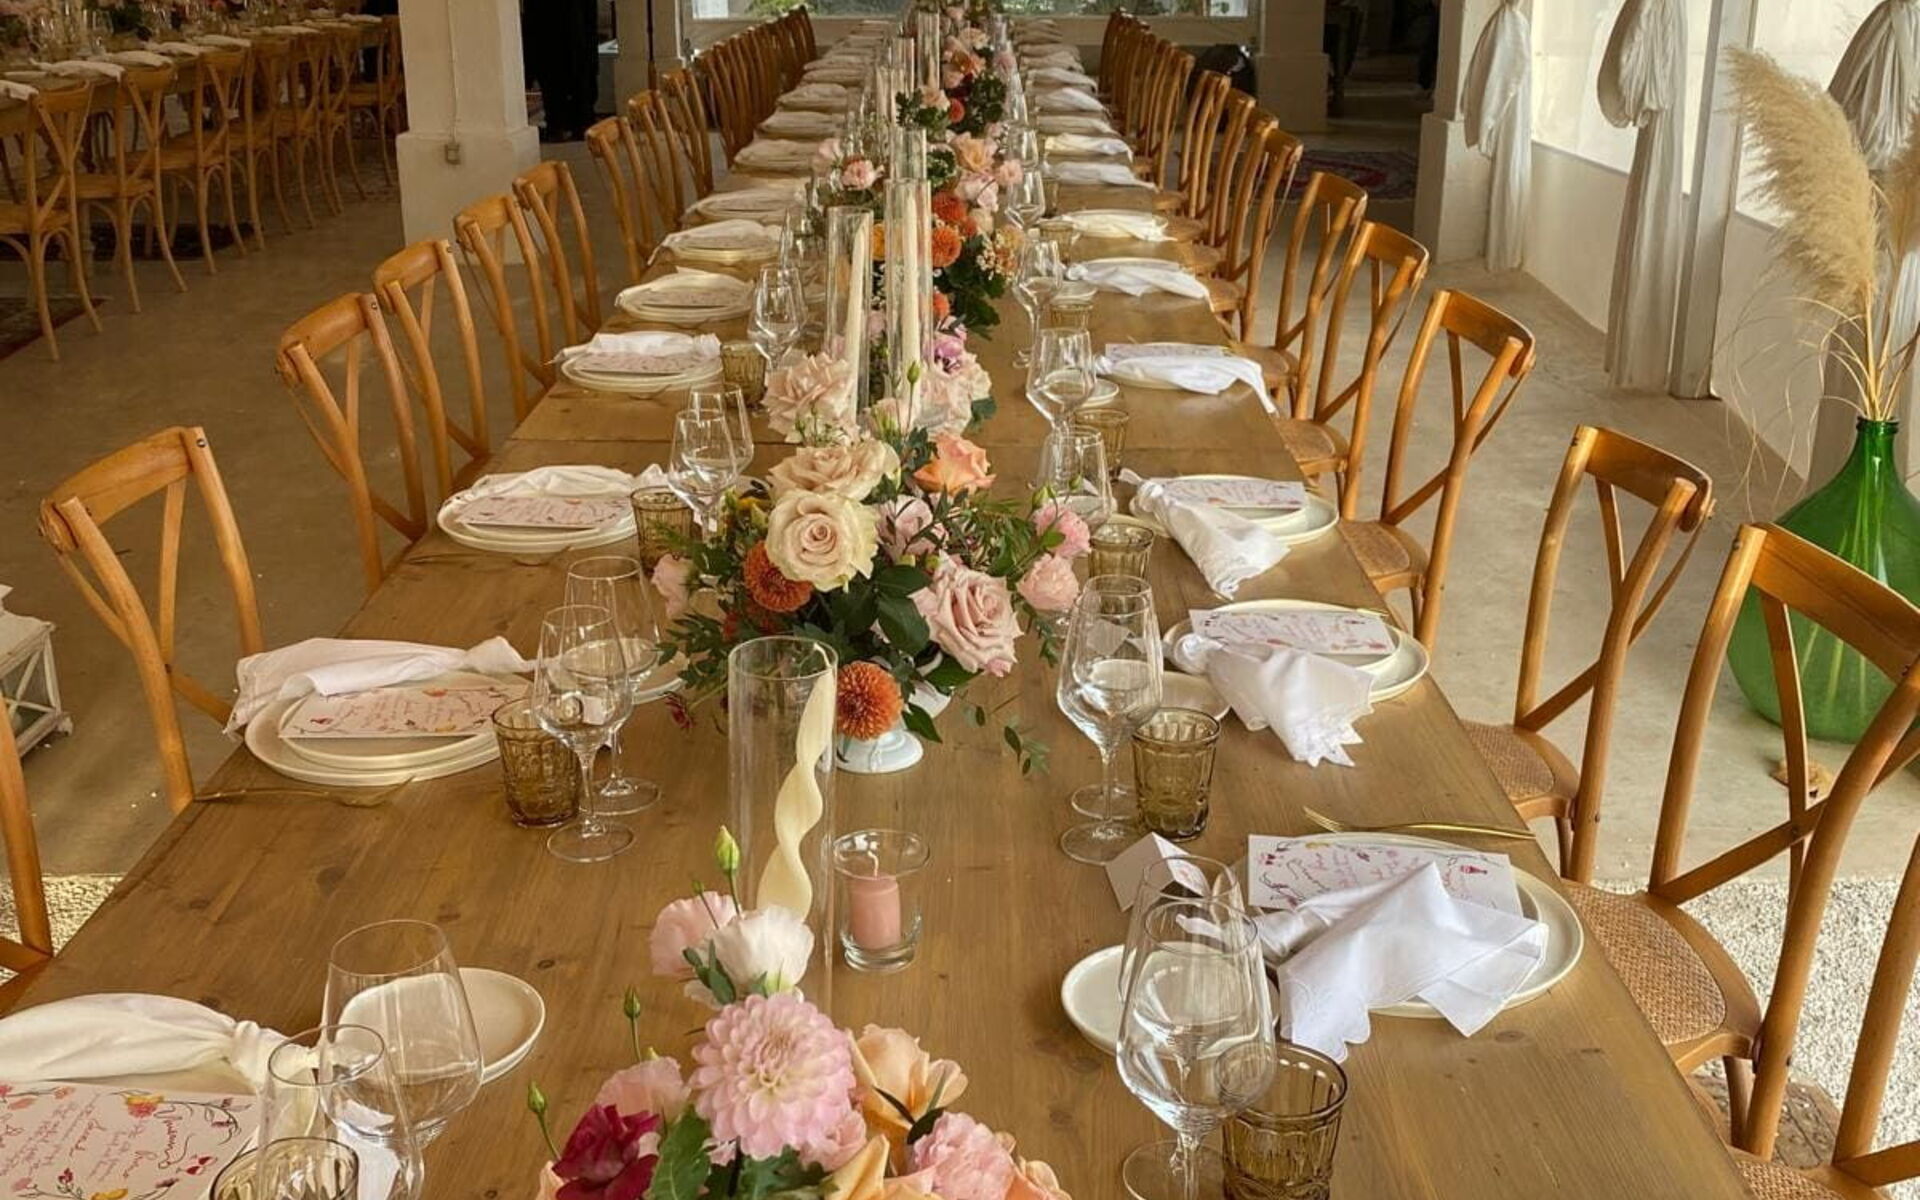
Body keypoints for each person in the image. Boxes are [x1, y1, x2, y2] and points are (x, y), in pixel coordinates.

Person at [527, 0, 599, 142]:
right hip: (563, 42)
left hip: (558, 43)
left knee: (560, 83)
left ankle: (565, 125)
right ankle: (570, 125)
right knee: (564, 81)